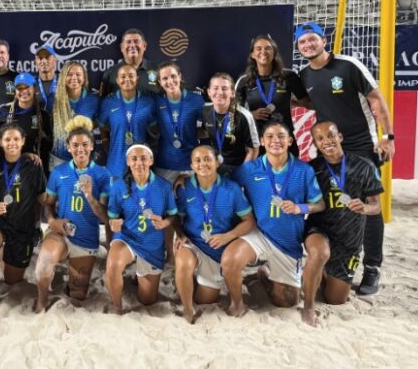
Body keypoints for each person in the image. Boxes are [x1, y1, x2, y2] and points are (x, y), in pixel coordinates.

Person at [296, 21, 394, 296]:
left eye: (312, 39)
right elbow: (309, 102)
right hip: (329, 147)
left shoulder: (348, 65)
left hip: (361, 146)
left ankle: (372, 266)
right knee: (332, 203)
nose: (308, 45)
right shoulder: (304, 75)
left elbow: (377, 100)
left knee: (369, 206)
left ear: (323, 40)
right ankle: (335, 258)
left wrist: (388, 137)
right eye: (302, 42)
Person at [221, 122, 324, 316]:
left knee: (286, 301)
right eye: (269, 136)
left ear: (290, 141)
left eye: (281, 136)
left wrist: (300, 207)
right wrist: (186, 178)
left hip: (287, 241)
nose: (275, 140)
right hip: (258, 232)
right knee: (229, 262)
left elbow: (320, 204)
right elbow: (220, 183)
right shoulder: (249, 169)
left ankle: (265, 277)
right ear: (262, 141)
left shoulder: (304, 170)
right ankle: (237, 303)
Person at [302, 121, 383, 326]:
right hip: (320, 230)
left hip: (349, 240)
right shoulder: (312, 169)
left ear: (340, 137)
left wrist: (365, 208)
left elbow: (376, 206)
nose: (326, 141)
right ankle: (308, 307)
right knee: (320, 253)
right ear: (315, 144)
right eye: (320, 138)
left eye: (330, 135)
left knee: (335, 299)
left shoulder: (365, 166)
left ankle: (320, 272)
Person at [35, 116, 111, 313]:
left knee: (78, 293)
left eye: (85, 144)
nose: (80, 149)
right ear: (68, 147)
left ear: (92, 146)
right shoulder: (58, 172)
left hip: (86, 239)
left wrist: (90, 196)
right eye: (75, 145)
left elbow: (104, 217)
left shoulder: (102, 174)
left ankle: (69, 277)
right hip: (61, 233)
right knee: (44, 263)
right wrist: (52, 220)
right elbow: (48, 204)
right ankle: (42, 300)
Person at [173, 145, 255, 323]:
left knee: (206, 300)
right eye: (197, 160)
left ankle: (193, 280)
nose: (202, 164)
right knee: (183, 262)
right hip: (193, 242)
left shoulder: (231, 188)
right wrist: (179, 233)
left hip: (218, 250)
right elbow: (175, 218)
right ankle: (187, 309)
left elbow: (249, 221)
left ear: (217, 162)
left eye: (207, 159)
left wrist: (228, 236)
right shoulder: (184, 187)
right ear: (192, 166)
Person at [0, 123, 46, 309]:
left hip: (23, 228)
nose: (12, 143)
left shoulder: (34, 166)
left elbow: (42, 197)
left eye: (16, 139)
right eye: (7, 139)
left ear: (23, 141)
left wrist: (57, 202)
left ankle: (2, 252)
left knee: (11, 280)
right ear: (0, 142)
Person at [105, 144, 177, 315]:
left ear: (151, 160)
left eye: (143, 158)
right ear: (128, 162)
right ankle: (117, 308)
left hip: (152, 242)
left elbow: (173, 216)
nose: (139, 163)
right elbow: (112, 216)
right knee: (113, 265)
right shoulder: (119, 186)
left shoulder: (164, 186)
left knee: (147, 300)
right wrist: (114, 223)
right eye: (134, 159)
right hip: (127, 237)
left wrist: (164, 223)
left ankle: (137, 276)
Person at [234, 35, 310, 157]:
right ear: (253, 54)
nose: (263, 51)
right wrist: (251, 115)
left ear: (274, 53)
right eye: (259, 48)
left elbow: (308, 102)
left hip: (284, 140)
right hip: (257, 143)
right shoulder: (244, 81)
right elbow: (234, 114)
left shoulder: (289, 77)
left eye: (268, 48)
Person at [98, 64, 156, 178]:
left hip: (140, 165)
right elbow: (102, 125)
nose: (127, 79)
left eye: (131, 76)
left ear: (137, 78)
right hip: (116, 164)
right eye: (123, 76)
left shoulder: (148, 102)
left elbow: (155, 129)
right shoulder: (108, 103)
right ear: (117, 80)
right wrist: (105, 140)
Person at [0, 72, 52, 168]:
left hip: (32, 165)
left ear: (34, 89)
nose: (24, 91)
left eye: (27, 87)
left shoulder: (42, 116)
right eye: (19, 88)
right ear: (15, 91)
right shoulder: (3, 110)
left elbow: (48, 143)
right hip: (5, 164)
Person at [152, 61, 205, 184]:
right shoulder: (156, 102)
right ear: (160, 82)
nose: (170, 81)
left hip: (191, 164)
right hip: (165, 164)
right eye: (165, 78)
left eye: (173, 76)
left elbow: (206, 129)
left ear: (180, 76)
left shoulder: (196, 100)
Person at [200, 72, 259, 176]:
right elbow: (206, 132)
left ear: (232, 93)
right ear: (209, 92)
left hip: (238, 168)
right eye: (215, 88)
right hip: (214, 165)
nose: (220, 92)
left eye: (224, 88)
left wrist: (243, 174)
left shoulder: (244, 116)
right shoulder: (205, 110)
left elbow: (253, 150)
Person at [50, 61, 100, 170]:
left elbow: (98, 125)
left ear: (84, 78)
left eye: (78, 74)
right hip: (59, 158)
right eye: (69, 74)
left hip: (84, 158)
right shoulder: (54, 100)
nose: (74, 78)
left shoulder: (93, 100)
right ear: (63, 77)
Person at [99, 28, 159, 97]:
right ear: (122, 47)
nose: (132, 45)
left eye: (136, 41)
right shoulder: (110, 74)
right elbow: (103, 101)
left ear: (144, 46)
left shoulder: (157, 70)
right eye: (128, 42)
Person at [32, 44, 59, 112]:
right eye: (40, 58)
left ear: (55, 60)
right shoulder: (31, 84)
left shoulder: (64, 81)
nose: (44, 61)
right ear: (35, 62)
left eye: (47, 57)